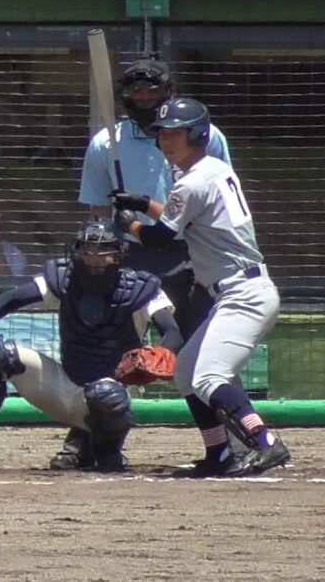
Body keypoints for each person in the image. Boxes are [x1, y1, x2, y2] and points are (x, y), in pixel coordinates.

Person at [113, 97, 287, 477]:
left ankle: (265, 443)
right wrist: (144, 203)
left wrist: (128, 224)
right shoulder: (213, 170)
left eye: (175, 132)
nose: (166, 140)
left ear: (197, 133)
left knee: (209, 376)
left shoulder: (190, 183)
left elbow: (161, 239)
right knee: (186, 373)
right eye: (161, 133)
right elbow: (185, 219)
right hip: (236, 291)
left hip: (244, 294)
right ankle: (219, 454)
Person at [0, 218, 182, 472]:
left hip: (111, 392)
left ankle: (104, 451)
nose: (94, 259)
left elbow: (172, 331)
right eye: (88, 250)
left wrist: (161, 352)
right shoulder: (64, 278)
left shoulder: (141, 289)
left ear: (118, 253)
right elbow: (15, 297)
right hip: (64, 384)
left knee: (106, 395)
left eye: (103, 251)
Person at [79, 58, 230, 340]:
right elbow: (98, 210)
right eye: (137, 90)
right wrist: (102, 254)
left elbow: (218, 205)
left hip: (191, 254)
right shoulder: (105, 143)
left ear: (169, 91)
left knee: (193, 341)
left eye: (152, 90)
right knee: (124, 343)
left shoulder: (205, 137)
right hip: (131, 256)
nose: (145, 97)